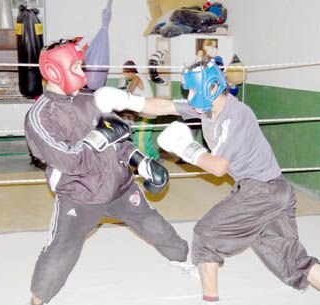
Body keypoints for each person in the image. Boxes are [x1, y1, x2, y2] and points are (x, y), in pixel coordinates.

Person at [93, 58, 320, 304]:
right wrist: (128, 101)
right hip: (272, 191)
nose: (189, 96)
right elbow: (164, 107)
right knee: (294, 262)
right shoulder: (207, 108)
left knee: (205, 236)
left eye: (192, 89)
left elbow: (219, 167)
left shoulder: (236, 115)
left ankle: (209, 301)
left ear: (211, 87)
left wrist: (186, 148)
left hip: (261, 191)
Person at [24, 39, 188, 305]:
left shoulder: (92, 99)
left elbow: (120, 141)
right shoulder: (40, 116)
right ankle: (38, 299)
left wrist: (142, 162)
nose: (83, 73)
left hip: (121, 187)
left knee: (155, 225)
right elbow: (70, 161)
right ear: (56, 71)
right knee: (62, 249)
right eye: (77, 66)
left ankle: (183, 258)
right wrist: (97, 137)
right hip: (80, 196)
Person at [119, 60, 160, 160]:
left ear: (129, 71)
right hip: (148, 113)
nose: (124, 75)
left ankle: (143, 163)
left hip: (147, 114)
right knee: (146, 140)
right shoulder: (141, 77)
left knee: (139, 141)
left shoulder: (136, 78)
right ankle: (155, 159)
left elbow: (128, 94)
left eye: (125, 72)